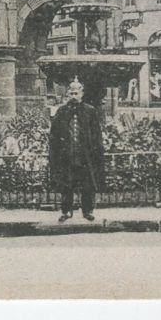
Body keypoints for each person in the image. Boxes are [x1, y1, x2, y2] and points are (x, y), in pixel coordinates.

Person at [49, 78, 105, 223]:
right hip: (66, 155)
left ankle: (88, 211)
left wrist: (96, 153)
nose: (74, 96)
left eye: (76, 93)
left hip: (85, 156)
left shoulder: (90, 111)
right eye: (71, 93)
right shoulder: (61, 111)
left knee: (87, 185)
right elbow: (54, 135)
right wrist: (55, 153)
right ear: (67, 94)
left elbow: (96, 135)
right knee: (67, 184)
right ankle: (66, 211)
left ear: (82, 94)